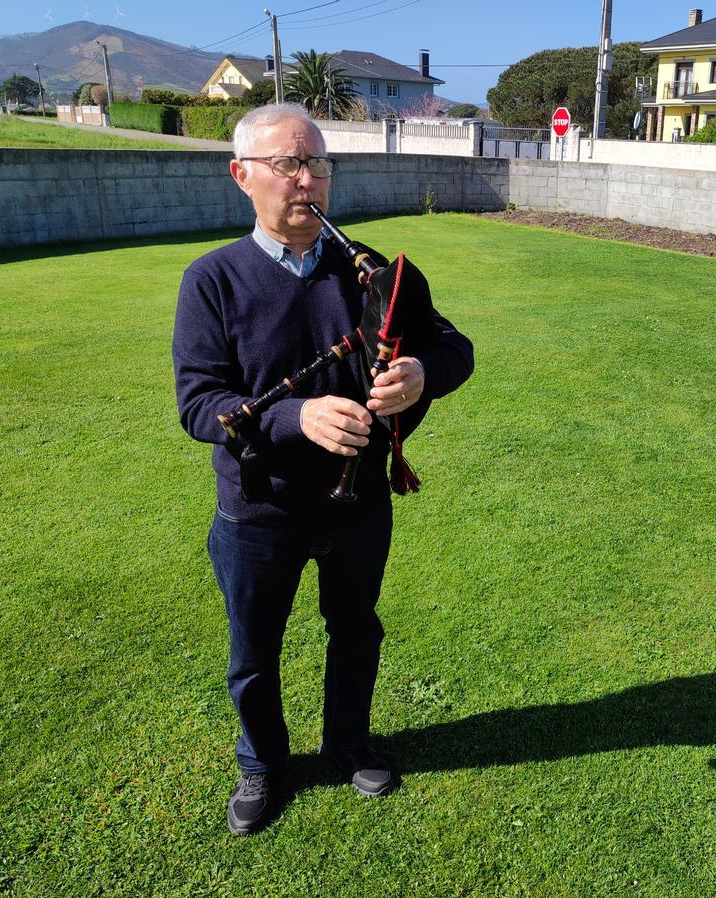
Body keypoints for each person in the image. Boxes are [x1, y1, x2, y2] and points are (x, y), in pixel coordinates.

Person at [172, 103, 473, 836]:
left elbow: (454, 345)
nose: (307, 180)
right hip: (260, 508)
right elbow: (198, 402)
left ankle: (346, 743)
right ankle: (262, 764)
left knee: (356, 630)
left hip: (359, 499)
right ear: (243, 176)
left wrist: (421, 375)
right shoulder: (212, 279)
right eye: (288, 164)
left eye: (318, 164)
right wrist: (295, 417)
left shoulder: (370, 271)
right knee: (254, 650)